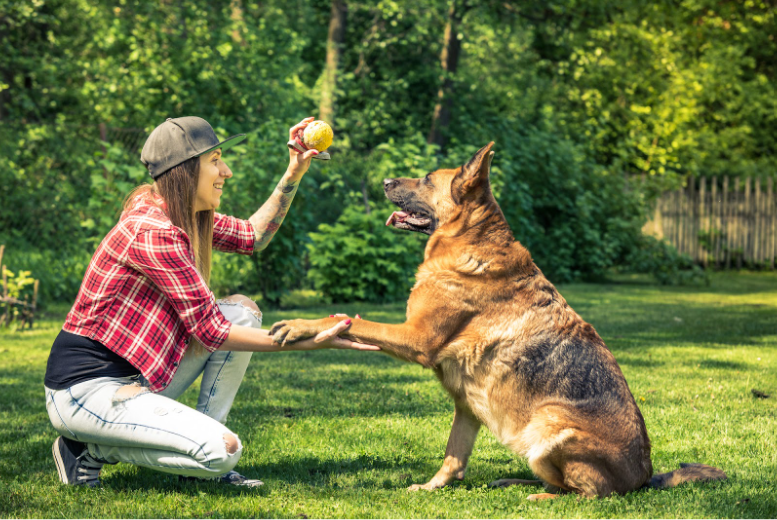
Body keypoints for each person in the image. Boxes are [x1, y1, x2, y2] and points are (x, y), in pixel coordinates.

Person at [44, 116, 378, 488]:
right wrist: (311, 339)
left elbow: (252, 236)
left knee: (242, 310)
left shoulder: (181, 213)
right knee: (223, 451)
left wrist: (294, 170)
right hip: (86, 391)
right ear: (184, 170)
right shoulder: (153, 232)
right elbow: (211, 331)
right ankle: (86, 449)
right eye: (215, 160)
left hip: (138, 377)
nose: (227, 171)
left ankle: (191, 447)